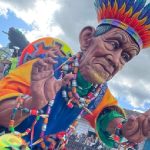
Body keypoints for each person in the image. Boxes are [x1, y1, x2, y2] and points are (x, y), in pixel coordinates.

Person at [0, 0, 150, 149]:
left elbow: (107, 117)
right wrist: (32, 103)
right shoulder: (45, 67)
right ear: (87, 39)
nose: (116, 60)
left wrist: (125, 129)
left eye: (125, 57)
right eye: (113, 44)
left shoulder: (98, 92)